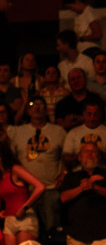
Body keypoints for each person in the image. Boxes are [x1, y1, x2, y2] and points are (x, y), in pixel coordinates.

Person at [9, 95, 66, 236]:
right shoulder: (17, 131)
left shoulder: (58, 131)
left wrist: (64, 173)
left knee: (52, 230)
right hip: (26, 191)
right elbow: (11, 158)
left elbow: (66, 156)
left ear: (47, 111)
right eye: (33, 104)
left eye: (41, 104)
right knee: (27, 230)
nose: (37, 107)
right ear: (27, 111)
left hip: (50, 188)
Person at [60, 142, 106, 245]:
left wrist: (95, 187)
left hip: (102, 237)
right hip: (77, 237)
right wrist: (82, 188)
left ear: (99, 157)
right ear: (79, 157)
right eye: (86, 152)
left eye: (93, 152)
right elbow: (64, 197)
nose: (90, 155)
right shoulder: (71, 177)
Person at [0, 143, 46, 245]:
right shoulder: (2, 176)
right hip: (9, 221)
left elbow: (40, 186)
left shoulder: (15, 170)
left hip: (24, 220)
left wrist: (24, 207)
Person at [63, 100, 106, 168]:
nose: (92, 118)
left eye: (95, 114)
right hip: (79, 174)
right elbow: (65, 158)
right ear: (83, 114)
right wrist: (84, 154)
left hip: (103, 174)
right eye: (89, 114)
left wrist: (98, 153)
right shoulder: (73, 133)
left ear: (100, 114)